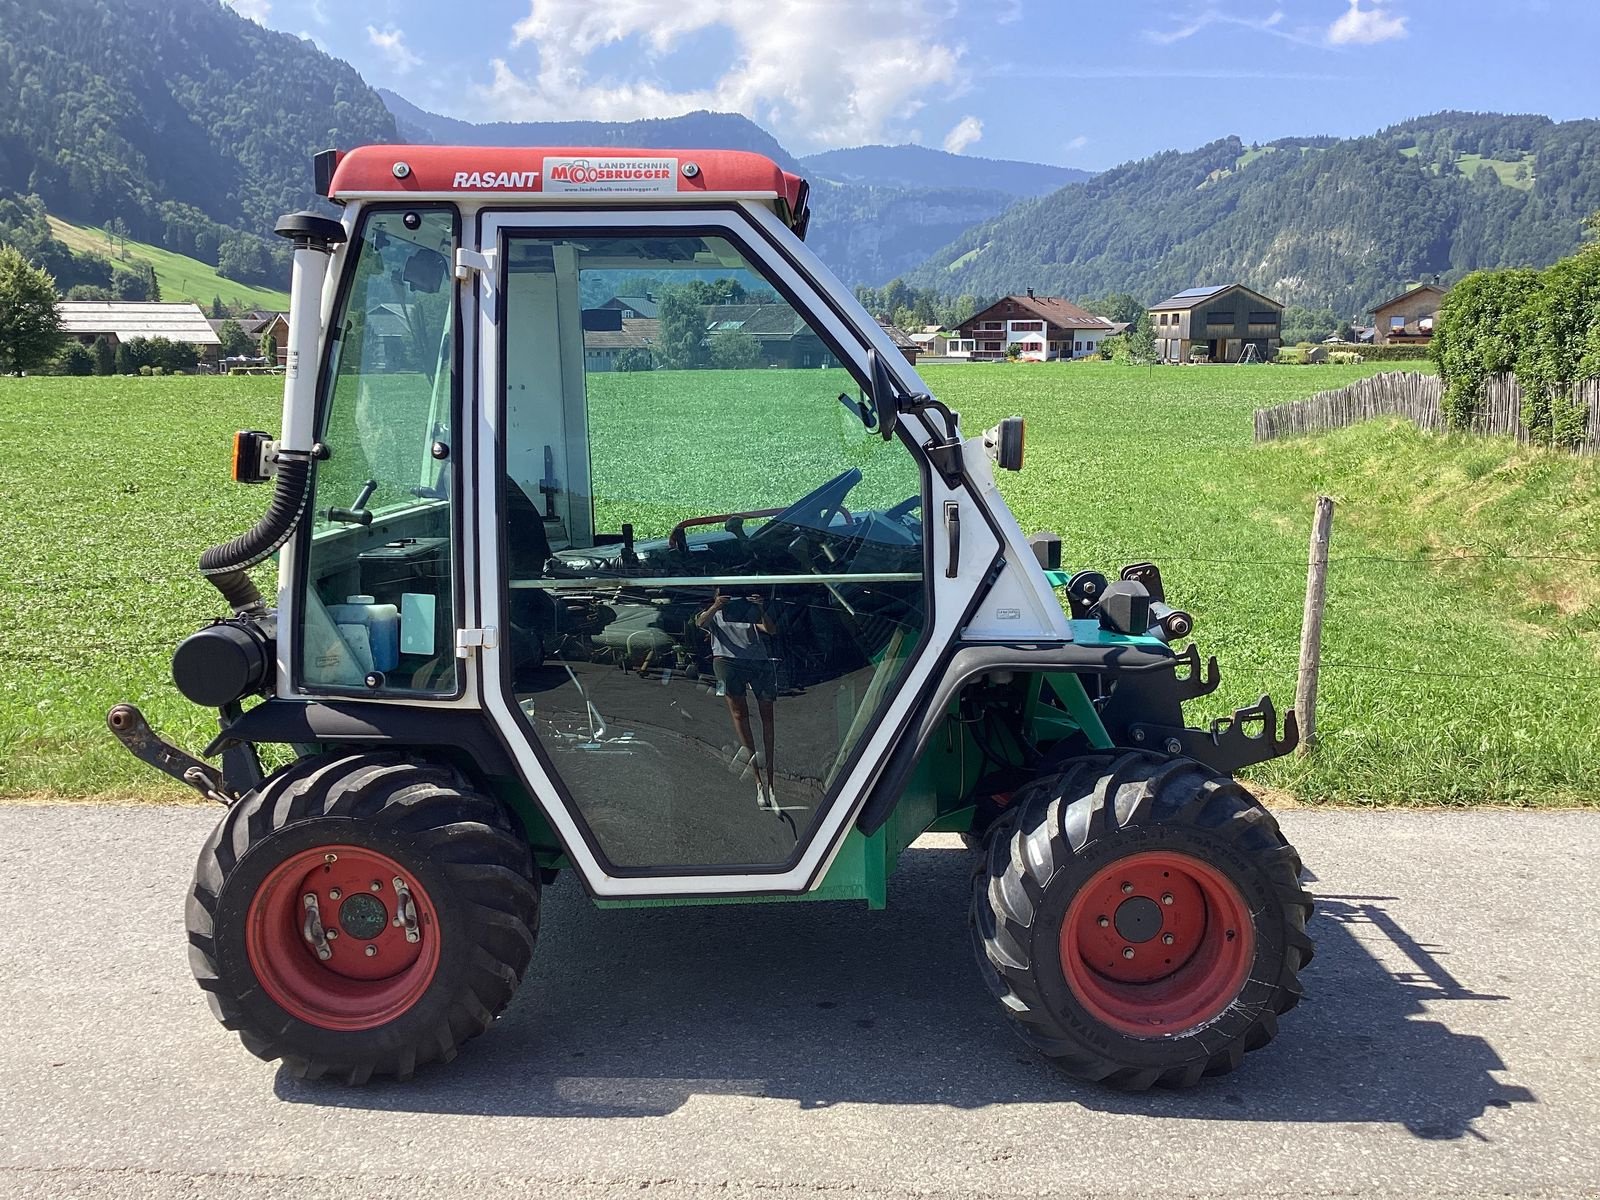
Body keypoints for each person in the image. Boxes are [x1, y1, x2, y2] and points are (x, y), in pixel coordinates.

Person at [696, 588, 780, 810]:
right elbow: (700, 624)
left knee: (767, 716)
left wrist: (759, 607)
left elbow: (771, 630)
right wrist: (716, 606)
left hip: (756, 659)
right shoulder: (716, 613)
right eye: (726, 593)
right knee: (739, 715)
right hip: (726, 660)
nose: (732, 598)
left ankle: (771, 780)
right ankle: (758, 781)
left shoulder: (748, 610)